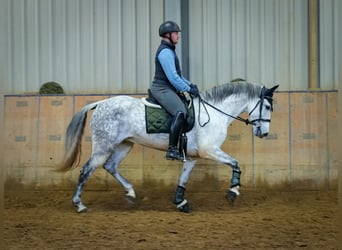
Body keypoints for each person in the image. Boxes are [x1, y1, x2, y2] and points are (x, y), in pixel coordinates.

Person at [150, 21, 200, 161]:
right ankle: (172, 149)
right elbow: (173, 78)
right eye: (176, 33)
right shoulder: (165, 52)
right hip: (161, 88)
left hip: (168, 87)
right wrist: (188, 89)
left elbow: (178, 76)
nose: (178, 36)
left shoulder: (170, 50)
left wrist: (191, 85)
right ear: (168, 35)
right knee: (180, 111)